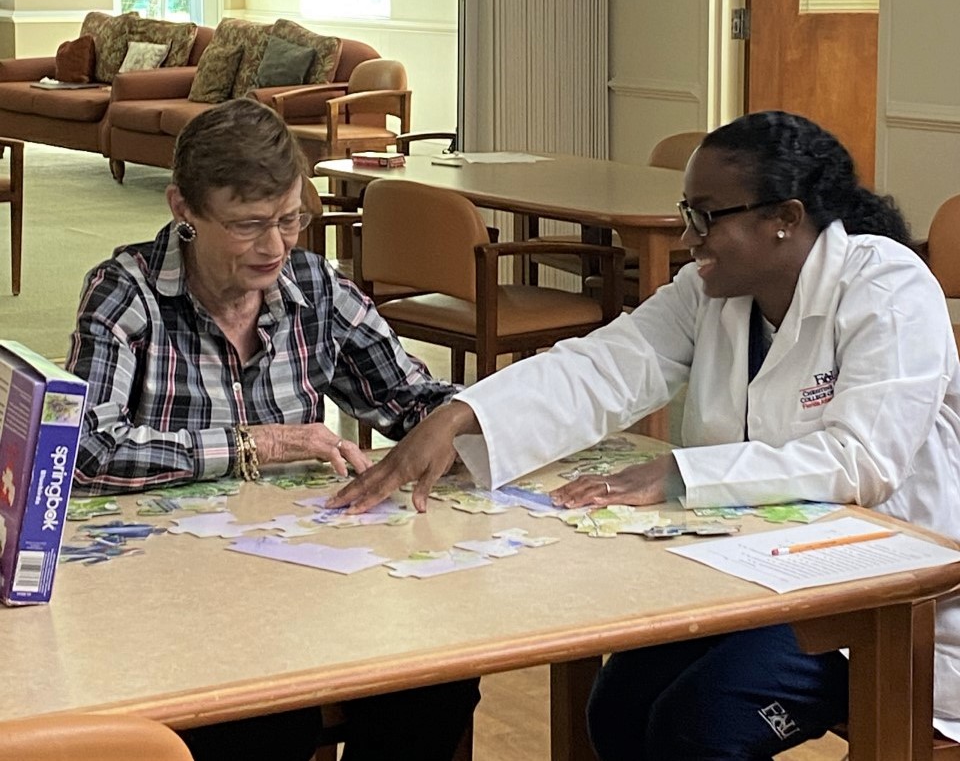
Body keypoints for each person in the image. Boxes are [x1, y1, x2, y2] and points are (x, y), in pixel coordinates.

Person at [328, 110, 960, 759]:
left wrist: (680, 474)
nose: (690, 238)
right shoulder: (709, 291)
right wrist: (461, 417)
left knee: (698, 730)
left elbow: (864, 459)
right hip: (746, 565)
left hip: (867, 591)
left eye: (708, 217)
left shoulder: (887, 286)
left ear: (786, 219)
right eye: (688, 212)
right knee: (618, 712)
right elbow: (606, 366)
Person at [65, 98, 479, 761]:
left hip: (305, 577)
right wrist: (258, 442)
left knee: (435, 681)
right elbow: (84, 454)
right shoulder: (126, 292)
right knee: (260, 722)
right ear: (183, 209)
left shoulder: (316, 286)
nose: (276, 247)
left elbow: (412, 397)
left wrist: (472, 418)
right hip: (167, 592)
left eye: (291, 220)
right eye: (249, 225)